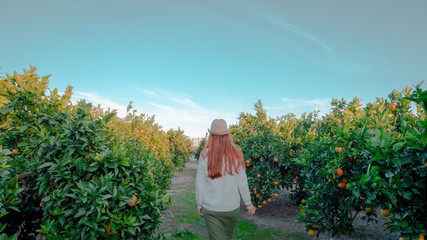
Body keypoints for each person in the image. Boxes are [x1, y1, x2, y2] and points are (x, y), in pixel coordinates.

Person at [196, 119, 255, 240]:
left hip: (211, 209)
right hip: (231, 209)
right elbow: (242, 183)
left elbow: (200, 185)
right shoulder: (236, 158)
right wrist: (248, 203)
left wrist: (199, 204)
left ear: (211, 137)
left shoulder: (204, 157)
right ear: (227, 136)